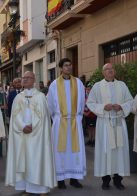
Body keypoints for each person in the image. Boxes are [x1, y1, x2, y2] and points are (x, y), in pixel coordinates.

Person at [6, 71, 57, 195]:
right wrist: (22, 126)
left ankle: (42, 189)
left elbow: (44, 117)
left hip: (38, 135)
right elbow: (14, 115)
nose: (25, 80)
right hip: (22, 134)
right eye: (24, 78)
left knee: (38, 160)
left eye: (28, 78)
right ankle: (28, 188)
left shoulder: (40, 96)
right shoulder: (18, 97)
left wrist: (33, 126)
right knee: (25, 161)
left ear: (34, 80)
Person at [87, 63, 133, 190]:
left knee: (119, 151)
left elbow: (130, 101)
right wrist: (103, 107)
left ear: (115, 71)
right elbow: (90, 102)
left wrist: (122, 107)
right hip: (104, 124)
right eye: (107, 69)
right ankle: (105, 180)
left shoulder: (122, 85)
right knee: (105, 152)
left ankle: (118, 180)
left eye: (112, 69)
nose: (110, 71)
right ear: (103, 72)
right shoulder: (97, 86)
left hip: (118, 122)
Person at [47, 58, 86, 189]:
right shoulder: (54, 84)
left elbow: (81, 102)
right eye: (65, 65)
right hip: (60, 123)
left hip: (75, 122)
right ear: (61, 68)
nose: (68, 67)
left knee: (75, 150)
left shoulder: (78, 83)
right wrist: (57, 118)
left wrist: (78, 117)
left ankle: (74, 179)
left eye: (70, 65)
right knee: (60, 151)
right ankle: (61, 180)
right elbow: (50, 104)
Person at [84, 82, 96, 146]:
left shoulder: (94, 96)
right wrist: (84, 113)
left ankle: (94, 139)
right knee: (88, 127)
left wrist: (89, 112)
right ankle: (90, 139)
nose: (88, 90)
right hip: (86, 114)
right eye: (87, 89)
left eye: (90, 89)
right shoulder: (84, 95)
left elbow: (94, 105)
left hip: (93, 114)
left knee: (93, 127)